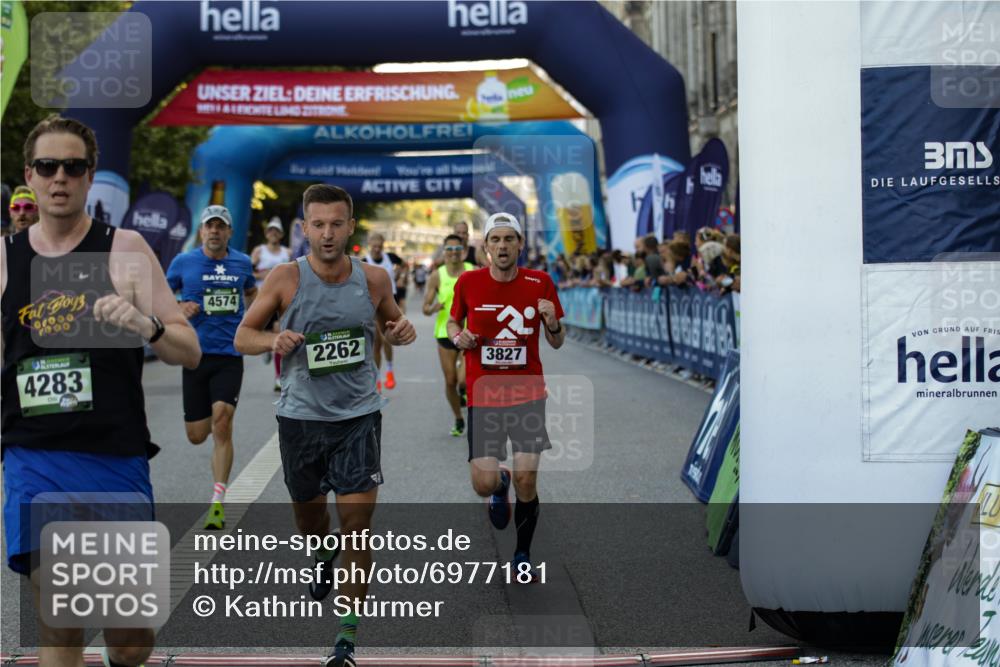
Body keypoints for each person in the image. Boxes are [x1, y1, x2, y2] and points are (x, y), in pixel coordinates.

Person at [1, 114, 201, 667]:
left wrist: (148, 328)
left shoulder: (127, 249)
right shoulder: (4, 258)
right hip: (33, 460)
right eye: (47, 166)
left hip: (114, 459)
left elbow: (189, 351)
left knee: (130, 638)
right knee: (60, 626)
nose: (59, 177)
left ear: (91, 177)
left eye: (73, 166)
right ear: (31, 176)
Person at [235, 184, 415, 667]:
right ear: (305, 228)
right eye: (318, 224)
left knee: (357, 528)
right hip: (301, 421)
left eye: (337, 223)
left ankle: (346, 641)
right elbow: (243, 336)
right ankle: (320, 558)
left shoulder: (375, 279)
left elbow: (394, 323)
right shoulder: (284, 278)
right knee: (312, 525)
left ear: (351, 226)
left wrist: (402, 330)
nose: (327, 233)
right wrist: (272, 339)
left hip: (359, 416)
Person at [447, 212, 565, 581]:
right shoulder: (468, 282)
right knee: (482, 483)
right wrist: (457, 337)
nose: (502, 246)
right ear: (484, 247)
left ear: (519, 245)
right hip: (484, 394)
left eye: (509, 239)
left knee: (527, 479)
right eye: (495, 240)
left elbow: (557, 341)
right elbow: (454, 321)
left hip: (528, 391)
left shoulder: (540, 282)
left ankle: (522, 553)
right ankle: (499, 486)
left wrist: (552, 322)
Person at [166, 205, 256, 530]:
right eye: (210, 227)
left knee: (222, 422)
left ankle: (218, 499)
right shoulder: (184, 262)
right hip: (195, 355)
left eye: (221, 226)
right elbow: (161, 292)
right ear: (202, 231)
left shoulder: (242, 262)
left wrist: (254, 318)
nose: (215, 231)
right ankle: (202, 436)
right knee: (197, 434)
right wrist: (178, 305)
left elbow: (253, 293)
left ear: (229, 232)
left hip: (230, 355)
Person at [422, 234, 475, 437]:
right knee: (451, 381)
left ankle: (465, 395)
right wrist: (434, 307)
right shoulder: (437, 275)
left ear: (463, 252)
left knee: (463, 381)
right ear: (444, 253)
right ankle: (458, 418)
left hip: (468, 333)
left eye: (457, 250)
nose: (453, 254)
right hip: (445, 333)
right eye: (449, 250)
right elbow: (425, 308)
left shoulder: (473, 271)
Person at [251, 217, 292, 391]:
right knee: (266, 334)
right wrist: (261, 275)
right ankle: (267, 348)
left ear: (281, 234)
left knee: (278, 333)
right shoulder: (259, 251)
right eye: (270, 231)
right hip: (261, 299)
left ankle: (278, 377)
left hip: (280, 300)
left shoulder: (287, 253)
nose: (273, 234)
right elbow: (248, 273)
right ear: (267, 234)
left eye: (276, 231)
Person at [362, 232, 398, 392]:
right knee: (377, 343)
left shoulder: (390, 257)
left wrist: (400, 277)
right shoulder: (364, 261)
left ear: (383, 244)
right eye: (374, 246)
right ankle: (377, 379)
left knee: (387, 340)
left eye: (379, 246)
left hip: (390, 303)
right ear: (370, 244)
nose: (377, 249)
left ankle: (389, 371)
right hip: (373, 305)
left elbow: (403, 265)